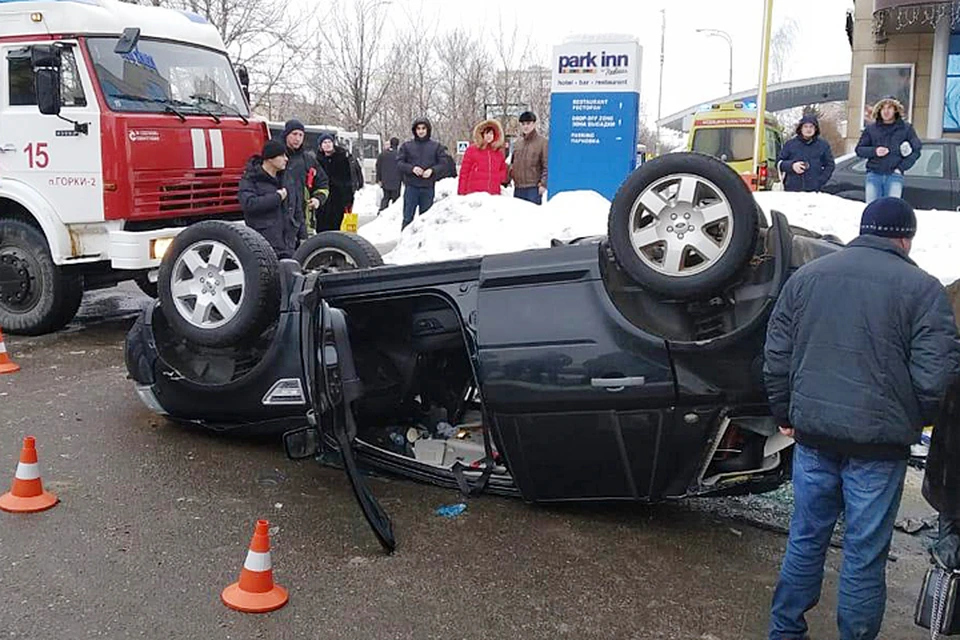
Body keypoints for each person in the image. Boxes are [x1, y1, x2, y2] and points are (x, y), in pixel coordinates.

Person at [763, 196, 960, 640]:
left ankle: (784, 631)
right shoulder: (924, 289)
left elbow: (777, 352)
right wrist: (910, 420)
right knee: (864, 552)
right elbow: (938, 375)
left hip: (813, 435)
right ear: (906, 238)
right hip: (879, 446)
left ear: (864, 230)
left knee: (806, 538)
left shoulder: (808, 277)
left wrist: (784, 411)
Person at [855, 97, 922, 203]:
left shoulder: (906, 128)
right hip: (874, 175)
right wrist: (875, 151)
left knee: (892, 210)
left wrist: (901, 167)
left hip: (894, 176)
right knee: (872, 210)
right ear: (879, 111)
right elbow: (859, 150)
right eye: (883, 108)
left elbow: (917, 149)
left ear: (895, 110)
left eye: (889, 107)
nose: (886, 111)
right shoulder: (871, 129)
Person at [239, 140, 297, 258]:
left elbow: (296, 209)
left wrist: (302, 235)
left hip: (288, 245)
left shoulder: (286, 179)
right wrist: (277, 197)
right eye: (282, 155)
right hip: (264, 246)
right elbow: (249, 204)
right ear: (270, 158)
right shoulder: (251, 179)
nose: (286, 159)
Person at [278, 119, 328, 244]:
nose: (298, 138)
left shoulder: (308, 159)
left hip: (304, 219)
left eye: (301, 135)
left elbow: (323, 182)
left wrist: (318, 199)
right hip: (280, 218)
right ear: (286, 135)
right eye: (294, 134)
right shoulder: (276, 156)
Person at [397, 117, 446, 230]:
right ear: (415, 130)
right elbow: (399, 163)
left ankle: (423, 244)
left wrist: (432, 170)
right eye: (418, 128)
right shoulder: (407, 146)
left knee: (425, 219)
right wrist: (412, 169)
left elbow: (443, 163)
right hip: (411, 187)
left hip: (428, 187)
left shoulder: (436, 147)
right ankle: (404, 242)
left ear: (428, 129)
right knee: (408, 218)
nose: (421, 131)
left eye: (423, 128)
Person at [777, 114, 835, 192]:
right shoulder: (790, 144)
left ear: (816, 129)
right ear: (800, 128)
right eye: (805, 126)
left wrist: (820, 181)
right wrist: (792, 166)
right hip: (792, 189)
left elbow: (830, 165)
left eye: (811, 126)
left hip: (814, 191)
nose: (808, 129)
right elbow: (778, 163)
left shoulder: (823, 145)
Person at [316, 133, 356, 232]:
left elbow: (349, 178)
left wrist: (349, 199)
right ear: (320, 145)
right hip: (324, 199)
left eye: (329, 142)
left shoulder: (342, 157)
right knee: (322, 226)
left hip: (339, 198)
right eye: (324, 142)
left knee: (337, 226)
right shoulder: (317, 160)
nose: (327, 144)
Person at [458, 119, 508, 196]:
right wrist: (461, 192)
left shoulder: (498, 153)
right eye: (487, 133)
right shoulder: (472, 150)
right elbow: (464, 173)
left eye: (491, 134)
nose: (489, 136)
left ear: (495, 135)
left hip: (493, 193)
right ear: (482, 134)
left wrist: (497, 177)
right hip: (474, 193)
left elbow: (503, 170)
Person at [509, 111, 548, 205]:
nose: (525, 126)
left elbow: (547, 165)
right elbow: (513, 164)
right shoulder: (517, 143)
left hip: (533, 188)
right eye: (523, 124)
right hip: (518, 188)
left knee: (532, 218)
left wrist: (543, 184)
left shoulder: (543, 142)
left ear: (534, 124)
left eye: (528, 123)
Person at [376, 137, 401, 212]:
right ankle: (393, 214)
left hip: (385, 180)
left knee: (386, 198)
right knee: (396, 199)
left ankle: (382, 212)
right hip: (396, 181)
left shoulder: (382, 154)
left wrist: (379, 179)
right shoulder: (400, 155)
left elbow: (378, 166)